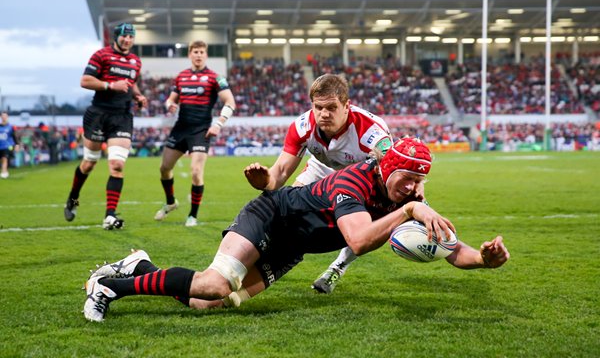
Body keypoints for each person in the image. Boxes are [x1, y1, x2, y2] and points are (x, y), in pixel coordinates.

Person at [83, 137, 510, 322]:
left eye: (421, 182)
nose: (415, 189)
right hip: (271, 216)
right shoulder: (355, 181)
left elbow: (452, 249)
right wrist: (410, 210)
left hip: (292, 249)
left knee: (207, 304)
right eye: (409, 180)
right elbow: (358, 240)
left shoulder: (407, 198)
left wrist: (484, 260)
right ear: (389, 169)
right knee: (213, 284)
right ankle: (110, 289)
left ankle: (139, 267)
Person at [243, 73, 416, 294]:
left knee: (361, 225)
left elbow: (390, 174)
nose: (324, 114)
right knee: (287, 209)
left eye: (332, 108)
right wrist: (265, 180)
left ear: (347, 106)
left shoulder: (373, 135)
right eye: (319, 107)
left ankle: (338, 267)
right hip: (322, 167)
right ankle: (260, 258)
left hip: (363, 176)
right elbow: (280, 173)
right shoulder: (302, 126)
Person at [63, 22, 147, 229]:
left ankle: (109, 215)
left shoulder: (135, 61)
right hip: (99, 114)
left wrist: (138, 95)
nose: (127, 40)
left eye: (131, 37)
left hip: (122, 116)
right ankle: (73, 198)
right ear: (116, 37)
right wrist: (110, 85)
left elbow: (132, 81)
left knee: (117, 165)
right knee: (89, 163)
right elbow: (85, 80)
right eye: (124, 36)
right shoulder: (101, 55)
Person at [153, 40, 235, 227]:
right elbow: (170, 100)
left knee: (196, 171)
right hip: (181, 128)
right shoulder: (181, 77)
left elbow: (230, 102)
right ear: (190, 54)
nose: (198, 55)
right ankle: (171, 202)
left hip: (201, 131)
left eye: (201, 52)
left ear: (206, 55)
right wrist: (170, 105)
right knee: (164, 168)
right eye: (195, 51)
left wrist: (219, 124)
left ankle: (192, 216)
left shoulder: (215, 77)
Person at [0, 111, 19, 178]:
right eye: (2, 116)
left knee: (4, 158)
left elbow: (14, 136)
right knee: (2, 160)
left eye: (5, 116)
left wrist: (17, 144)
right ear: (1, 117)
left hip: (6, 146)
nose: (4, 117)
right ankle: (5, 171)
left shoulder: (10, 127)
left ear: (7, 117)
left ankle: (3, 172)